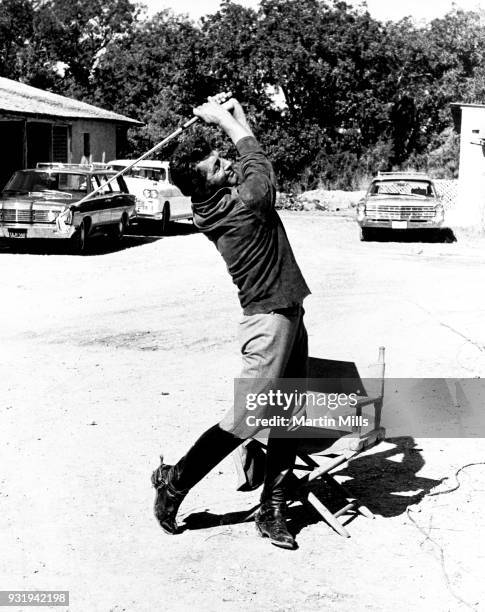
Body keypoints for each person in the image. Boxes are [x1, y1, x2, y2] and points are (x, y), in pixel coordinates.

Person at [151, 95, 310, 549]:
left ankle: (272, 508)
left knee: (290, 411)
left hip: (289, 309)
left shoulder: (220, 198)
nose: (227, 166)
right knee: (248, 416)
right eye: (218, 167)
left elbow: (246, 154)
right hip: (269, 320)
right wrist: (223, 118)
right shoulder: (242, 206)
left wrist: (236, 115)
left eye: (222, 160)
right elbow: (256, 162)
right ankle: (175, 483)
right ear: (205, 187)